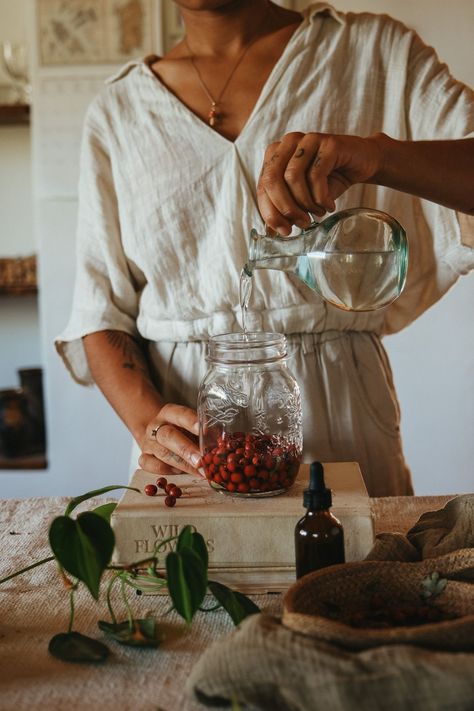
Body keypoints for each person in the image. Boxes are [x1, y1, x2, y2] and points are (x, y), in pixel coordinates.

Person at [56, 1, 474, 497]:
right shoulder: (119, 109)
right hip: (192, 444)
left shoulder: (372, 51)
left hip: (344, 414)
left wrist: (377, 155)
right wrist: (153, 425)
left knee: (351, 571)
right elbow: (99, 311)